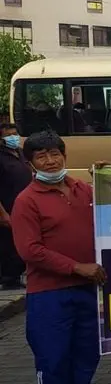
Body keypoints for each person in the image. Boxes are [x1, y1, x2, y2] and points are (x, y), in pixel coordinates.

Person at [11, 131, 111, 384]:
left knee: (87, 350)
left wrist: (107, 178)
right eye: (41, 156)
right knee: (52, 354)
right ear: (31, 164)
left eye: (55, 154)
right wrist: (75, 267)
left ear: (64, 157)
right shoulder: (26, 201)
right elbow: (30, 250)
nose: (50, 161)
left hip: (88, 287)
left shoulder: (81, 188)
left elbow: (110, 206)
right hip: (49, 293)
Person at [0, 122, 32, 289]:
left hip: (23, 206)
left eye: (15, 133)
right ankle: (8, 279)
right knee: (8, 244)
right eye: (8, 135)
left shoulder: (20, 153)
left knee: (21, 241)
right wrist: (2, 214)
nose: (13, 137)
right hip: (7, 207)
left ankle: (18, 274)